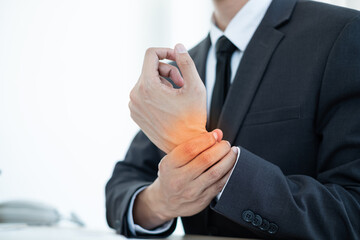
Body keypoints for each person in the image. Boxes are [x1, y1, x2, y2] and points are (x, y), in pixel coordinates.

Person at [106, 0, 360, 239]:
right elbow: (122, 184)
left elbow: (352, 211)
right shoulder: (181, 71)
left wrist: (197, 150)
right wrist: (159, 201)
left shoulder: (343, 33)